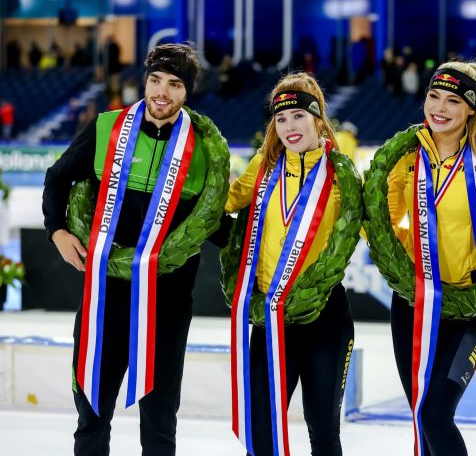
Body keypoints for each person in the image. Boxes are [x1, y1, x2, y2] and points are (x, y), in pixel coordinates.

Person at [42, 43, 228, 456]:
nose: (162, 92)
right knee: (91, 411)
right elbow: (57, 179)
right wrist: (58, 231)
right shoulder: (107, 127)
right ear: (144, 81)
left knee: (161, 420)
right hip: (106, 295)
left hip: (169, 299)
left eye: (174, 84)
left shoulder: (205, 148)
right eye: (155, 80)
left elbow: (214, 221)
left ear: (187, 92)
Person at [374, 61, 476, 455]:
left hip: (473, 306)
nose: (439, 107)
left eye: (453, 100)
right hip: (414, 302)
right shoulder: (408, 155)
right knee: (421, 414)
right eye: (434, 96)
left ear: (472, 108)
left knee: (436, 412)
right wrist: (404, 248)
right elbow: (383, 218)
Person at [225, 72, 359, 456]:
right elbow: (223, 204)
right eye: (280, 119)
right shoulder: (263, 169)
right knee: (261, 430)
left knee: (323, 432)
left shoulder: (342, 175)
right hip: (270, 316)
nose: (289, 127)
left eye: (298, 116)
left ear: (318, 118)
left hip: (325, 317)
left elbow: (375, 229)